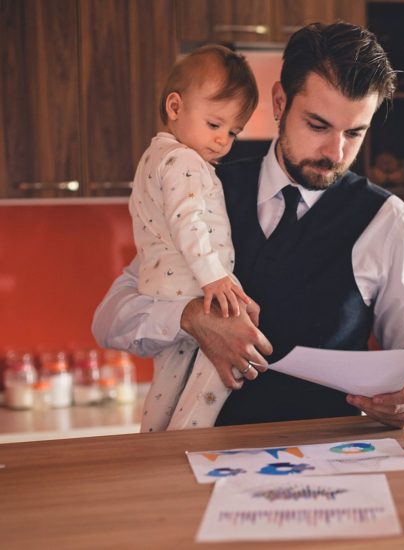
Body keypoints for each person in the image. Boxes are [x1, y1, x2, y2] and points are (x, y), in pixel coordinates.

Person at [93, 21, 404, 429]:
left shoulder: (389, 220)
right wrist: (191, 317)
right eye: (317, 125)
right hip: (203, 465)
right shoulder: (200, 189)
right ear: (279, 102)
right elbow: (111, 319)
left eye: (354, 132)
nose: (335, 152)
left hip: (332, 466)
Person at [128, 45, 259, 431]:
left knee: (167, 381)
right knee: (225, 361)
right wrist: (214, 277)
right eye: (215, 124)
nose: (223, 141)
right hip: (193, 286)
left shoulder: (154, 156)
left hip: (163, 289)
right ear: (175, 107)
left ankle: (154, 442)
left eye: (233, 132)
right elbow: (188, 221)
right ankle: (188, 439)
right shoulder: (184, 161)